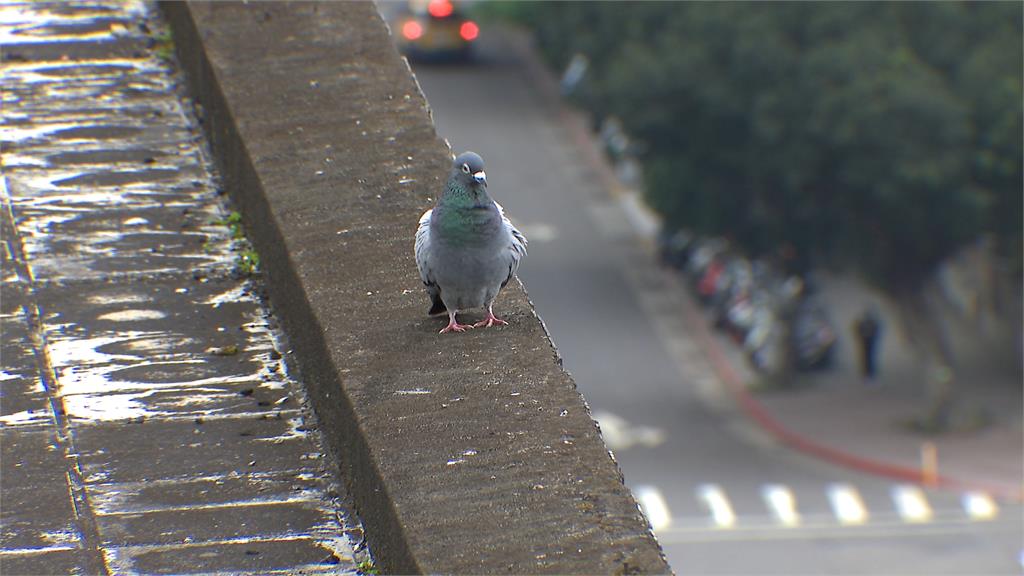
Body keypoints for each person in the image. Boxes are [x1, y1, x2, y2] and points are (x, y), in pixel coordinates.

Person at [854, 307, 882, 380]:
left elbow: (877, 330)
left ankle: (870, 372)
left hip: (870, 341)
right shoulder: (862, 323)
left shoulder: (872, 323)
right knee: (866, 356)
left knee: (870, 356)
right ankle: (866, 372)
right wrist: (861, 336)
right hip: (864, 341)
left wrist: (872, 336)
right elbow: (857, 330)